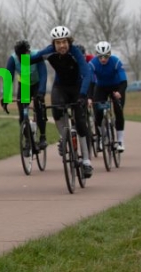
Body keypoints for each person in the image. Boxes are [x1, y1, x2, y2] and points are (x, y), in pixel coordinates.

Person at [29, 26, 94, 177]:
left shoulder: (75, 52)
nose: (62, 46)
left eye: (64, 42)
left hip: (77, 88)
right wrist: (21, 54)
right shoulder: (49, 51)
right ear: (54, 44)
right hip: (60, 87)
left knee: (80, 122)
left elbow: (87, 74)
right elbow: (30, 60)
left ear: (69, 42)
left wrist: (83, 95)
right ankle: (63, 138)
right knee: (57, 111)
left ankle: (86, 161)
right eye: (58, 43)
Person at [0, 40, 48, 151]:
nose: (22, 58)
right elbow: (8, 78)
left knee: (39, 108)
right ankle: (28, 140)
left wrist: (41, 92)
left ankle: (42, 136)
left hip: (37, 84)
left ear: (28, 52)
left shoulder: (36, 55)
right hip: (25, 84)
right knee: (22, 115)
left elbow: (43, 74)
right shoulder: (13, 59)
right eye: (19, 56)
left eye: (25, 55)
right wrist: (6, 97)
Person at [88, 41, 127, 152]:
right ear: (97, 55)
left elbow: (124, 81)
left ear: (109, 54)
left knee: (118, 110)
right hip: (101, 88)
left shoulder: (116, 62)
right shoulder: (92, 64)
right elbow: (90, 82)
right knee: (98, 112)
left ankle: (120, 141)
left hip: (116, 87)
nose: (103, 59)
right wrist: (89, 97)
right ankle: (102, 136)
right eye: (100, 56)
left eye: (106, 56)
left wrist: (119, 92)